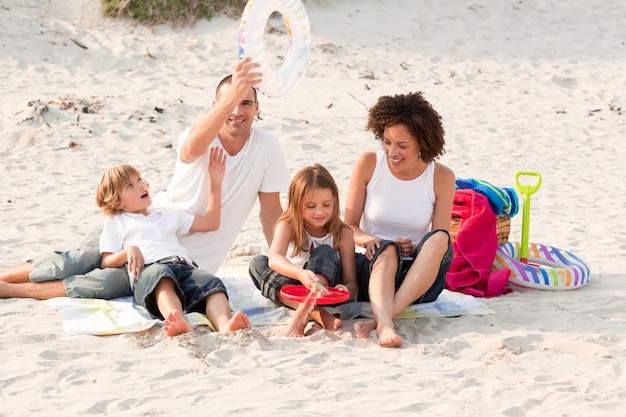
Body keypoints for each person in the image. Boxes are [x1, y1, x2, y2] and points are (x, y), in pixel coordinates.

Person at [0, 57, 289, 301]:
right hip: (143, 223)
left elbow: (271, 213)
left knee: (106, 283)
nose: (237, 112)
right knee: (78, 259)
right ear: (216, 104)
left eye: (246, 103)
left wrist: (282, 264)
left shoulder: (267, 146)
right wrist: (228, 100)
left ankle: (12, 291)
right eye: (230, 103)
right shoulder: (200, 134)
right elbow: (190, 150)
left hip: (183, 261)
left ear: (258, 107)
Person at [343, 91, 455, 348]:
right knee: (387, 249)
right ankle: (385, 324)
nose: (392, 152)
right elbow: (347, 226)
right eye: (387, 142)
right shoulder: (369, 163)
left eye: (402, 146)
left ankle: (383, 318)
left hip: (419, 280)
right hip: (374, 268)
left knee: (440, 239)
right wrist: (374, 240)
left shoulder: (441, 177)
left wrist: (415, 248)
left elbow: (437, 241)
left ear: (422, 144)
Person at [96, 159, 250, 336]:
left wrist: (215, 184)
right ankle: (178, 321)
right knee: (162, 279)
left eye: (139, 179)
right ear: (117, 203)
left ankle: (225, 325)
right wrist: (128, 251)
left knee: (211, 283)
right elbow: (106, 261)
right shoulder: (118, 221)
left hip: (183, 266)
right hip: (150, 270)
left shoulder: (165, 213)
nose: (140, 185)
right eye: (130, 186)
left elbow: (211, 223)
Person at [249, 164, 358, 337]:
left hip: (326, 287)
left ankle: (302, 314)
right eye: (311, 206)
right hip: (295, 286)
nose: (320, 212)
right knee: (257, 263)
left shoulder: (343, 233)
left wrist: (345, 290)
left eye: (326, 204)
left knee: (324, 251)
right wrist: (300, 274)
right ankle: (317, 314)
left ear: (335, 201)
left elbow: (352, 283)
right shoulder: (287, 225)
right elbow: (275, 257)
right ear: (297, 204)